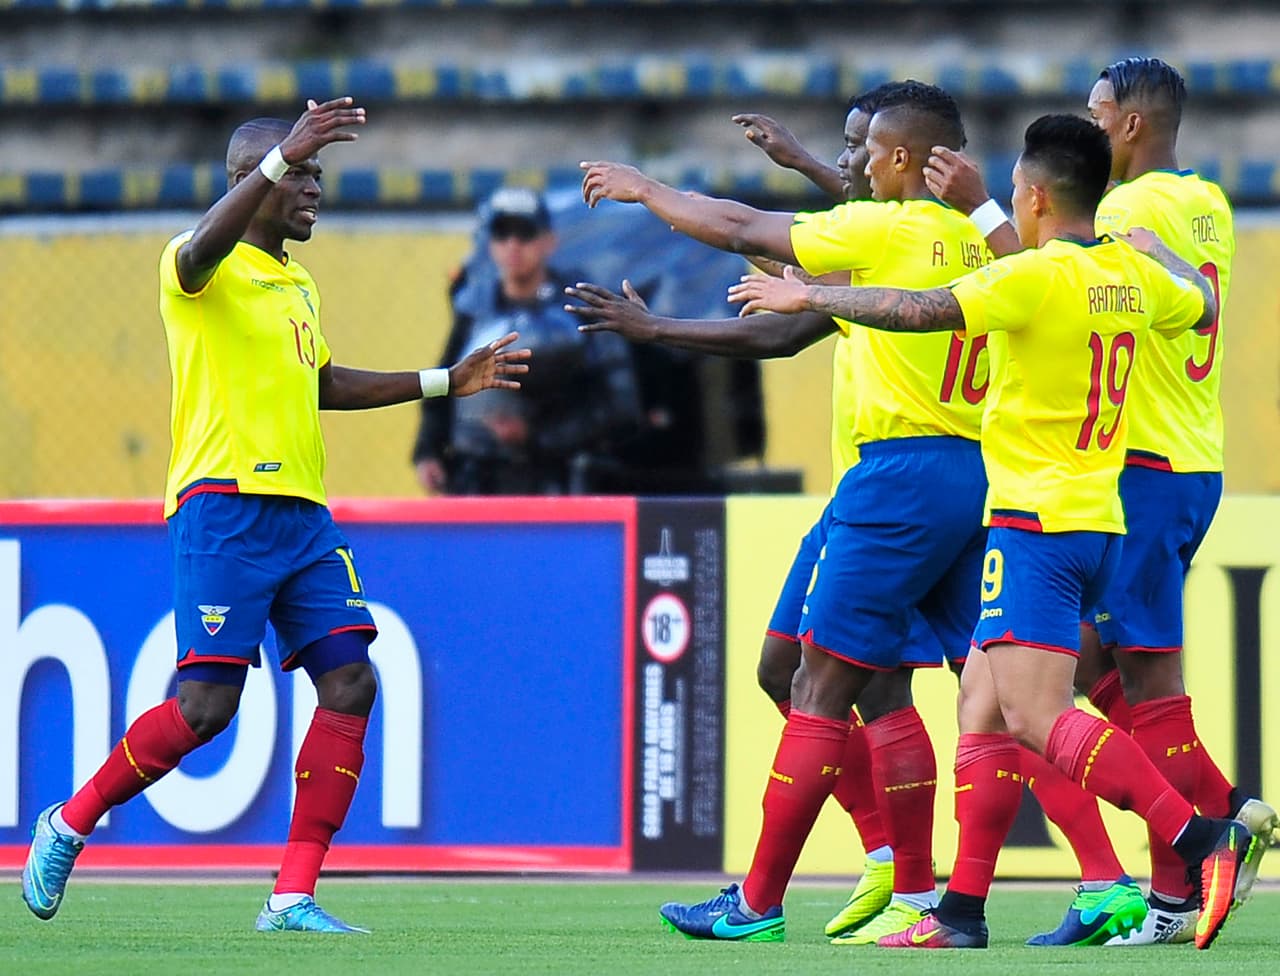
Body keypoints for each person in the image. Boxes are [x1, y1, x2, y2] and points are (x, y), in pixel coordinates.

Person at [728, 113, 1264, 952]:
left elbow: (920, 307)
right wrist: (1150, 253)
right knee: (981, 706)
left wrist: (811, 292)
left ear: (1039, 196)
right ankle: (961, 914)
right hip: (1100, 519)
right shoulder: (1129, 272)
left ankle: (1204, 837)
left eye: (1014, 187)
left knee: (1037, 716)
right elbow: (1198, 302)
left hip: (1035, 523)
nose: (1009, 195)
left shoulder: (1036, 278)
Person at [19, 98, 531, 933]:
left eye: (319, 176)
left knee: (353, 680)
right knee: (205, 711)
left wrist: (446, 381)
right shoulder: (196, 269)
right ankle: (69, 822)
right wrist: (277, 155)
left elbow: (322, 383)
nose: (316, 191)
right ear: (255, 181)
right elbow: (197, 250)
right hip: (222, 509)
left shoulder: (297, 283)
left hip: (301, 517)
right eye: (304, 175)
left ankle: (292, 895)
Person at [581, 80, 993, 944]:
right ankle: (932, 885)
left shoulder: (887, 230)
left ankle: (762, 902)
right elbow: (826, 269)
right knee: (980, 693)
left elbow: (742, 232)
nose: (855, 164)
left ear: (904, 159)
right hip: (964, 470)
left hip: (895, 476)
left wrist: (646, 188)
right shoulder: (985, 240)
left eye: (866, 149)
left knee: (823, 683)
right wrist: (806, 170)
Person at [928, 56, 1278, 946]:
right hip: (1193, 456)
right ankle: (995, 902)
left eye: (1095, 110)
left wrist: (978, 208)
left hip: (1135, 469)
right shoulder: (1208, 204)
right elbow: (1189, 307)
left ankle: (1199, 851)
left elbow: (1045, 289)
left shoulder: (1119, 213)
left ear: (1126, 124)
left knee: (1126, 689)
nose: (1088, 124)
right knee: (1046, 680)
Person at [412, 186, 641, 495]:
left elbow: (620, 404)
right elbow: (446, 381)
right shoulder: (474, 308)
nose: (513, 245)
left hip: (561, 478)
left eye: (525, 233)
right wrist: (428, 452)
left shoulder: (582, 305)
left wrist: (536, 436)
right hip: (477, 477)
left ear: (549, 241)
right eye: (502, 234)